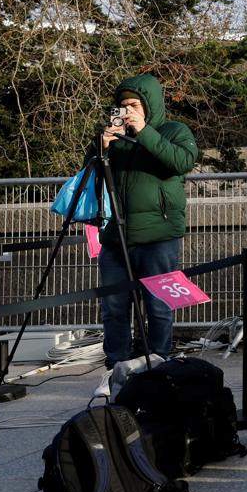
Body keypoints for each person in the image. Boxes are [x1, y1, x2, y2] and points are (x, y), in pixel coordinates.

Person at [98, 74, 199, 368]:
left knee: (159, 305)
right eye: (123, 105)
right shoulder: (115, 138)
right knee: (114, 306)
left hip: (158, 235)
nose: (127, 110)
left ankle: (159, 361)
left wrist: (143, 132)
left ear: (149, 105)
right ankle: (115, 366)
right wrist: (100, 148)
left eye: (134, 104)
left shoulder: (173, 130)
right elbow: (92, 177)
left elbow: (182, 162)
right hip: (116, 234)